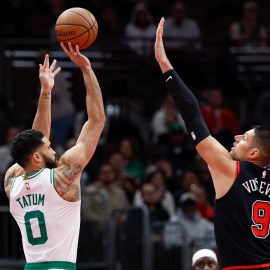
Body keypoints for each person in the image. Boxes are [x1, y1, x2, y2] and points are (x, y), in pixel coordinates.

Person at [155, 17, 270, 269]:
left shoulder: (231, 170)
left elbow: (193, 117)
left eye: (245, 137)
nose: (237, 136)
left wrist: (165, 66)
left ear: (253, 151)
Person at [4, 42, 105, 270]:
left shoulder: (11, 182)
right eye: (48, 147)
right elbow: (97, 121)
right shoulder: (63, 179)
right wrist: (87, 70)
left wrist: (46, 91)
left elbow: (36, 138)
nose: (53, 149)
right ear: (38, 158)